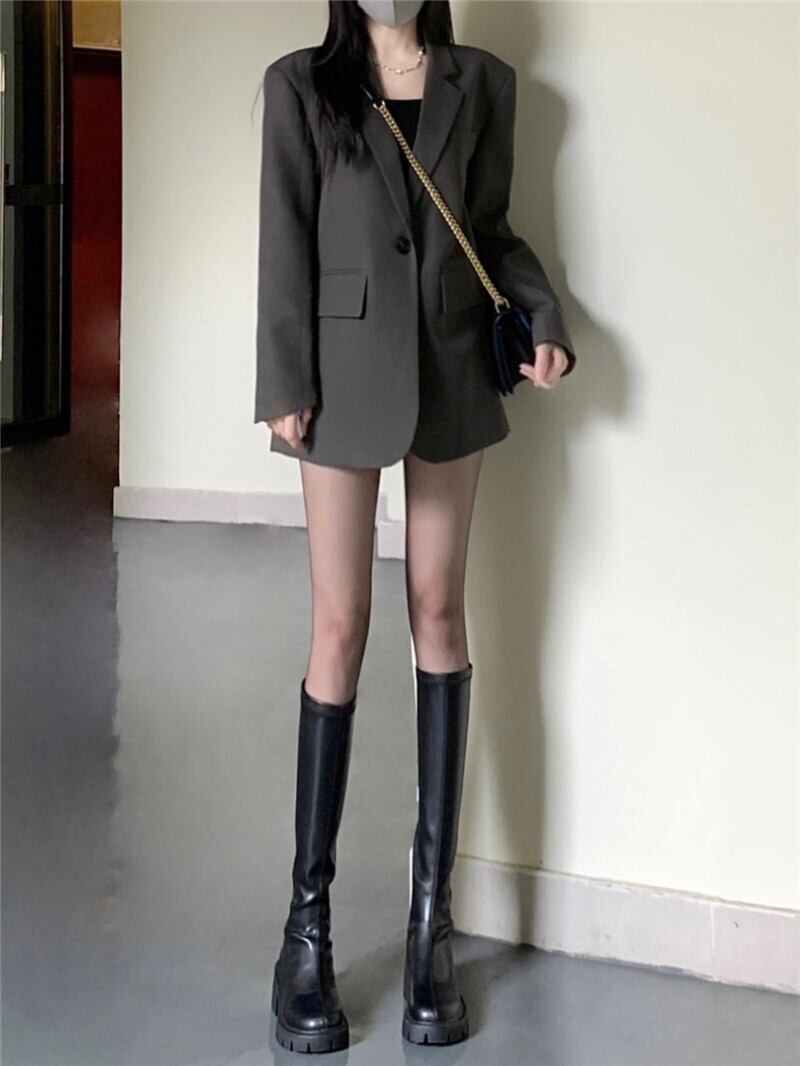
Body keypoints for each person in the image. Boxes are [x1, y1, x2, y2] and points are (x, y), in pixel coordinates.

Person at [256, 0, 577, 1053]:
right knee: (338, 625)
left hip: (449, 370)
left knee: (439, 612)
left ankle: (430, 924)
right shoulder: (299, 83)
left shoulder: (483, 82)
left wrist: (542, 318)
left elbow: (490, 229)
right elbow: (284, 237)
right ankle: (305, 933)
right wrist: (283, 381)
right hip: (338, 374)